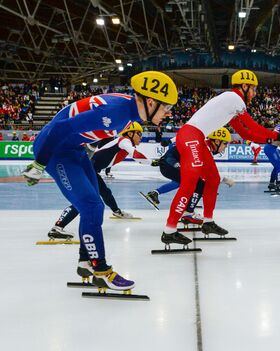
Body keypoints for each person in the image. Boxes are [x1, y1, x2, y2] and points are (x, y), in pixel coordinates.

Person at [22, 71, 177, 292]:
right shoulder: (116, 113)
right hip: (55, 148)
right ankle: (101, 271)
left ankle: (85, 262)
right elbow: (59, 127)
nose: (168, 114)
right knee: (91, 205)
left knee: (95, 206)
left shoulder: (128, 111)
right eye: (166, 108)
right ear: (151, 101)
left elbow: (89, 127)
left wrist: (91, 145)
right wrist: (39, 163)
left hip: (73, 148)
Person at [162, 69, 280, 246]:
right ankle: (169, 230)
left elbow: (245, 133)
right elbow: (252, 125)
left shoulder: (231, 105)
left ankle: (208, 222)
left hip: (197, 137)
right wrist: (275, 136)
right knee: (190, 182)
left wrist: (272, 139)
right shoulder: (234, 98)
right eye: (253, 89)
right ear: (244, 86)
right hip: (191, 134)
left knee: (213, 179)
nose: (254, 94)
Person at [47, 122, 153, 240]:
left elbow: (136, 157)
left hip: (90, 169)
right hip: (88, 169)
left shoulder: (124, 143)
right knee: (86, 200)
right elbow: (136, 155)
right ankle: (57, 227)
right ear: (130, 133)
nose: (141, 137)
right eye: (139, 133)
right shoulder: (124, 141)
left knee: (105, 192)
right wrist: (153, 162)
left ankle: (116, 211)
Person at [142, 127, 235, 225]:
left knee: (195, 183)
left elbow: (206, 172)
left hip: (169, 163)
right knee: (198, 184)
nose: (226, 147)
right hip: (170, 163)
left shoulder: (205, 145)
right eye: (225, 143)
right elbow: (206, 173)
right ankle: (187, 214)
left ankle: (186, 212)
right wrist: (223, 180)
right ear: (216, 141)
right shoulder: (205, 147)